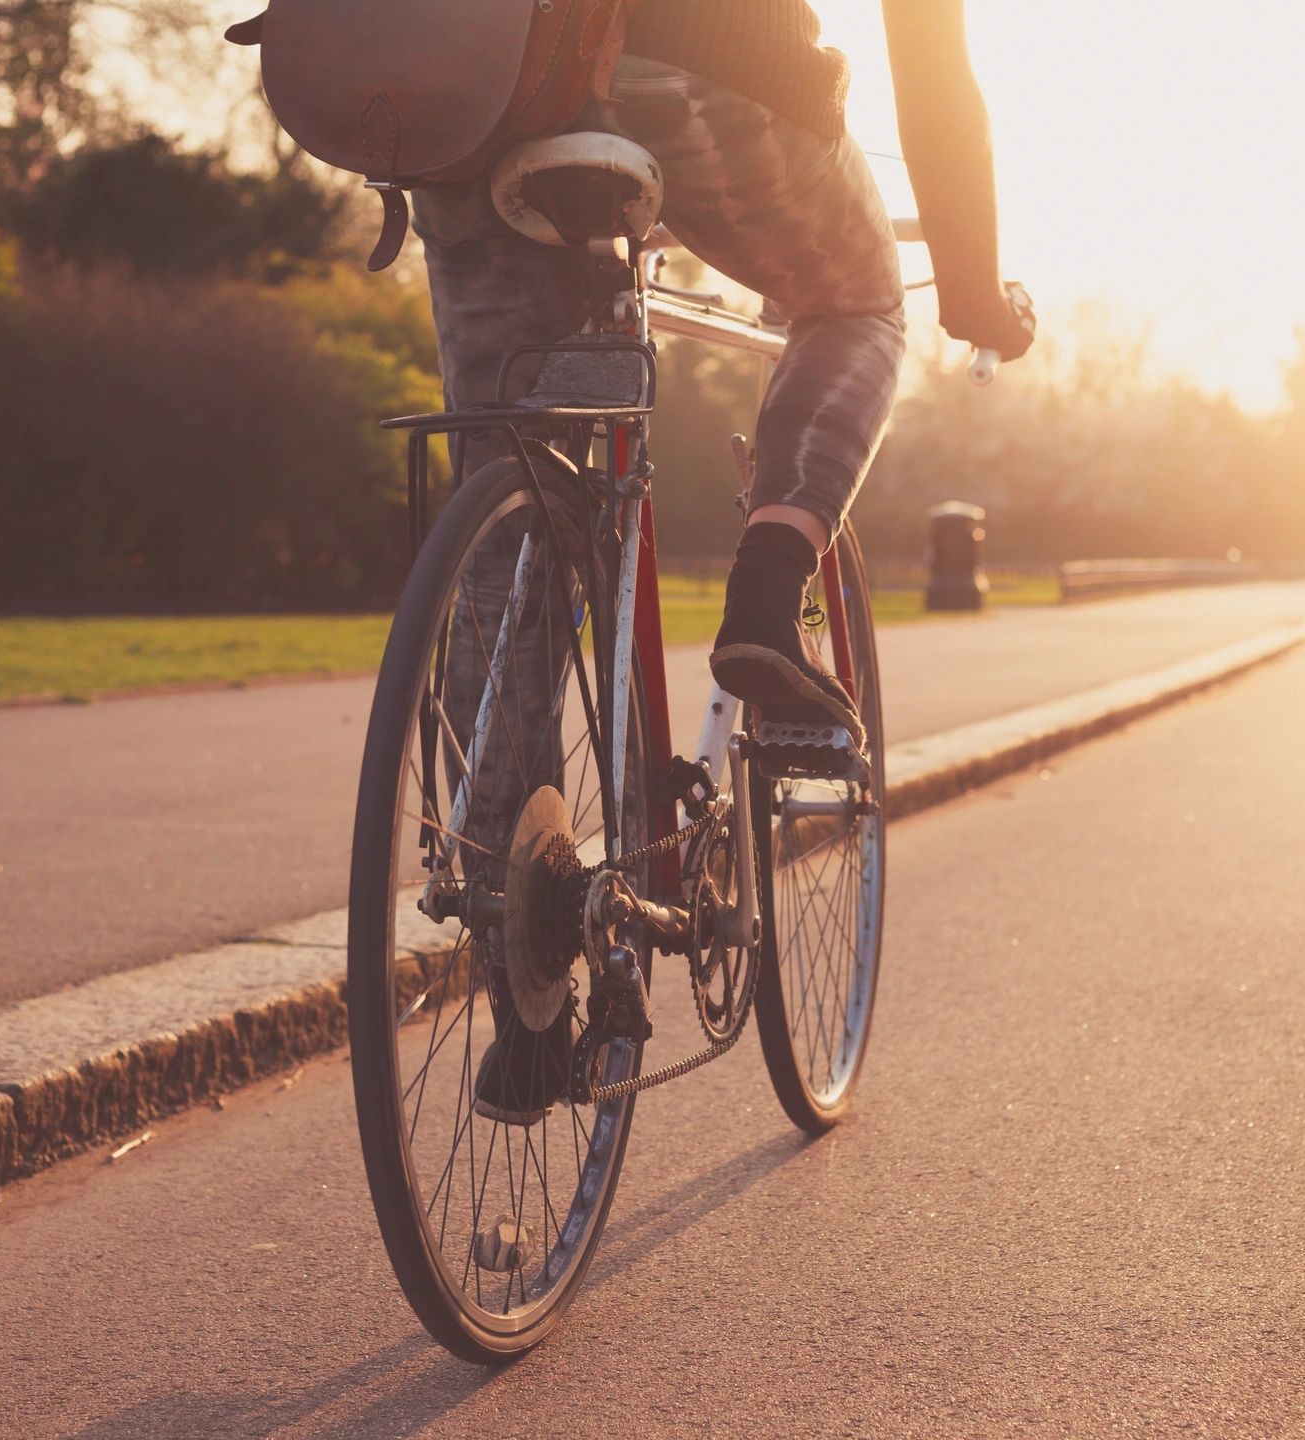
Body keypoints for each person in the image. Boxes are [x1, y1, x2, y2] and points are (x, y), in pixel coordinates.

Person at [417, 0, 1034, 1123]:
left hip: (460, 94)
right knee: (856, 302)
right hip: (694, 70)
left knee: (519, 507)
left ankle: (525, 975)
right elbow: (932, 62)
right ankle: (769, 580)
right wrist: (979, 286)